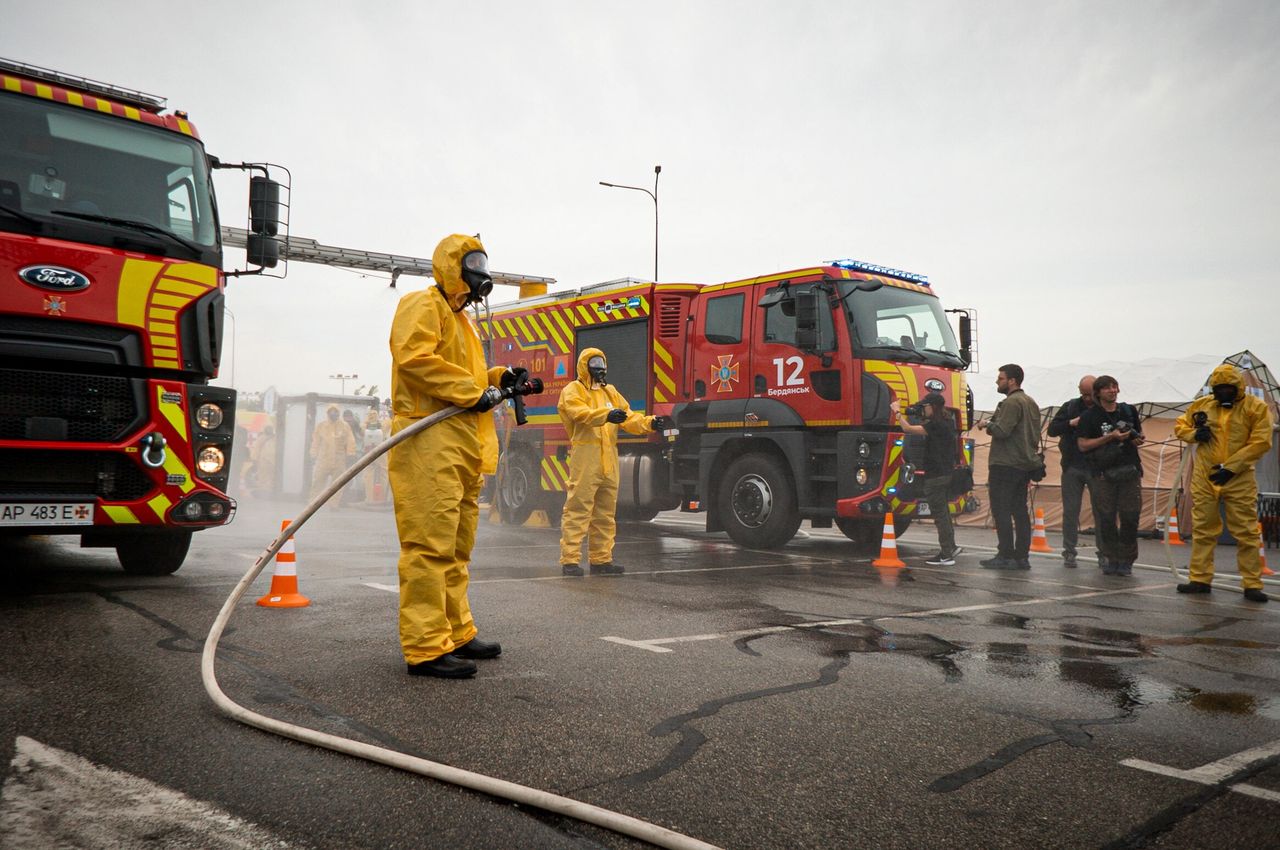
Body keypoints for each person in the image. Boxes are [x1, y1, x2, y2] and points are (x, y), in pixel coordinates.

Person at [388, 233, 524, 678]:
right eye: (474, 264)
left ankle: (455, 631)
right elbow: (415, 357)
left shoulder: (462, 320)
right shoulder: (422, 304)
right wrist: (474, 392)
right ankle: (426, 647)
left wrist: (503, 377)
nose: (481, 274)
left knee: (456, 547)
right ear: (454, 267)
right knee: (429, 546)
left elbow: (469, 376)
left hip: (461, 445)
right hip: (429, 443)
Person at [558, 348, 667, 575]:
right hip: (586, 459)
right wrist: (606, 416)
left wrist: (650, 423)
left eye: (601, 363)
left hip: (609, 459)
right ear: (584, 366)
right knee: (578, 509)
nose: (599, 368)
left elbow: (629, 417)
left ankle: (601, 561)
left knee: (605, 513)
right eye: (594, 363)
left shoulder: (610, 392)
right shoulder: (573, 390)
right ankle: (570, 561)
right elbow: (580, 413)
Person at [1173, 364, 1274, 602]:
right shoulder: (1202, 405)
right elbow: (1181, 425)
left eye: (1228, 389)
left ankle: (1252, 584)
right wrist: (1194, 434)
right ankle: (1199, 579)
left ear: (1237, 388)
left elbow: (1261, 441)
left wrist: (1232, 467)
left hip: (1239, 477)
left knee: (1246, 531)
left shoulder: (1255, 408)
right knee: (1203, 529)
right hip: (1205, 476)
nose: (1223, 393)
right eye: (1219, 389)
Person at [1076, 376, 1145, 576]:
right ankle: (1112, 558)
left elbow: (1137, 436)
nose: (1112, 391)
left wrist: (1136, 439)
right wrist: (1110, 437)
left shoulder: (1128, 411)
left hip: (1129, 470)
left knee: (1130, 516)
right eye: (1107, 388)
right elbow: (1082, 444)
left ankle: (1127, 560)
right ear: (1098, 393)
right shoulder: (1090, 416)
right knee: (1106, 518)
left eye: (1114, 387)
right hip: (1102, 474)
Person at [975, 364, 1041, 570]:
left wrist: (987, 424)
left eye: (1001, 378)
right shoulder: (1031, 402)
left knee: (1001, 510)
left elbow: (1002, 431)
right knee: (1020, 511)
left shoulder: (1011, 403)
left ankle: (1005, 554)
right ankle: (1022, 556)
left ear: (1012, 380)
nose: (998, 381)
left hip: (1005, 463)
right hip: (1024, 464)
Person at [891, 392, 962, 565]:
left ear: (933, 407)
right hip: (946, 473)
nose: (924, 409)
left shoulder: (936, 424)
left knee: (939, 515)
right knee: (944, 512)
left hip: (935, 475)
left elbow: (908, 429)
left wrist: (897, 413)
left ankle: (946, 555)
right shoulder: (948, 422)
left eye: (926, 406)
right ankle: (951, 547)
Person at [1047, 375, 1098, 568]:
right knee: (1070, 511)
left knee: (1102, 512)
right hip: (1073, 466)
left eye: (1090, 394)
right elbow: (1052, 429)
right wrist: (1070, 423)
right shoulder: (1070, 407)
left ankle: (1104, 553)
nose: (1086, 398)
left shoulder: (1105, 410)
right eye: (1083, 394)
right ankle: (1069, 551)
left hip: (1096, 467)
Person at [310, 404, 356, 502]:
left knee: (338, 484)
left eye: (335, 411)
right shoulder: (322, 426)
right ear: (328, 413)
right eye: (331, 411)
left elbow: (350, 440)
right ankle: (313, 503)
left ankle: (334, 504)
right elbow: (316, 441)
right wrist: (313, 454)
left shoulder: (344, 426)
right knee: (318, 481)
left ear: (339, 413)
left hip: (339, 459)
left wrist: (350, 453)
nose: (333, 413)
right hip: (323, 459)